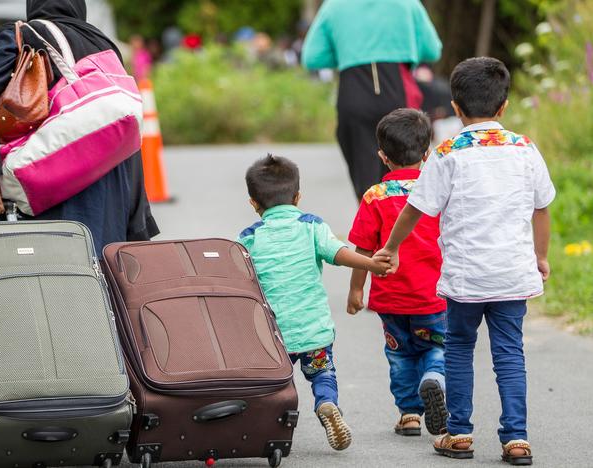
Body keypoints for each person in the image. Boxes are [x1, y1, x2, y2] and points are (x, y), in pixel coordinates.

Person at [376, 58, 556, 465]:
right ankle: (516, 439)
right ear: (504, 106)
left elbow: (415, 209)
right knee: (510, 352)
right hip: (511, 273)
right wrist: (539, 256)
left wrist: (391, 247)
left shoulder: (447, 152)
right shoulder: (524, 149)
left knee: (458, 348)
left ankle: (458, 433)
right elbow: (541, 208)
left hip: (465, 278)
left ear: (455, 108)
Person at [0, 0, 158, 252]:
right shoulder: (104, 44)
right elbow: (124, 125)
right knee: (104, 274)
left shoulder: (22, 35)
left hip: (52, 182)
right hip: (110, 190)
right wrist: (137, 217)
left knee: (52, 276)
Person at [237, 154, 394, 451]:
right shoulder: (311, 226)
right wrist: (371, 264)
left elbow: (231, 277)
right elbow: (339, 253)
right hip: (312, 331)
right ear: (297, 197)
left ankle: (274, 427)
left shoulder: (248, 238)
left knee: (275, 384)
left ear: (253, 203)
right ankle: (326, 403)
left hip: (270, 336)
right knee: (323, 373)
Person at [346, 108, 447, 438]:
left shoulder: (375, 197)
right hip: (434, 296)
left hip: (390, 298)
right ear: (428, 152)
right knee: (436, 347)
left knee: (399, 353)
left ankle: (409, 415)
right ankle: (434, 377)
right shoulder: (438, 193)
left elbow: (362, 250)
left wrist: (356, 291)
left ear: (382, 156)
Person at [301, 0, 442, 199]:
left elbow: (312, 57)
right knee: (405, 176)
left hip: (354, 89)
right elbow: (432, 49)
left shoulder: (334, 5)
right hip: (397, 87)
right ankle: (404, 225)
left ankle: (369, 223)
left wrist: (347, 55)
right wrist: (404, 50)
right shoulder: (407, 4)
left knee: (365, 182)